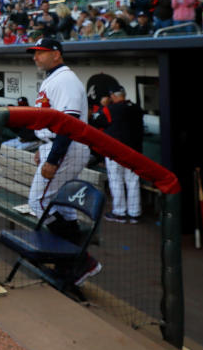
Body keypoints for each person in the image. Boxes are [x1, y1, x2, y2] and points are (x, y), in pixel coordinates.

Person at [26, 37, 101, 286]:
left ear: (56, 54)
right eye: (34, 53)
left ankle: (81, 260)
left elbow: (68, 124)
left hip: (67, 148)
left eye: (41, 52)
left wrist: (53, 159)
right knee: (62, 207)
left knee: (38, 201)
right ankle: (68, 261)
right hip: (58, 146)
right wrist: (43, 147)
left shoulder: (66, 80)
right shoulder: (55, 79)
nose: (35, 56)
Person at [95, 86, 144, 223]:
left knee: (116, 181)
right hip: (134, 151)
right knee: (132, 181)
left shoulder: (111, 109)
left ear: (113, 96)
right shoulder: (136, 108)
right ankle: (134, 214)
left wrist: (102, 106)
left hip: (115, 151)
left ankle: (120, 213)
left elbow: (97, 120)